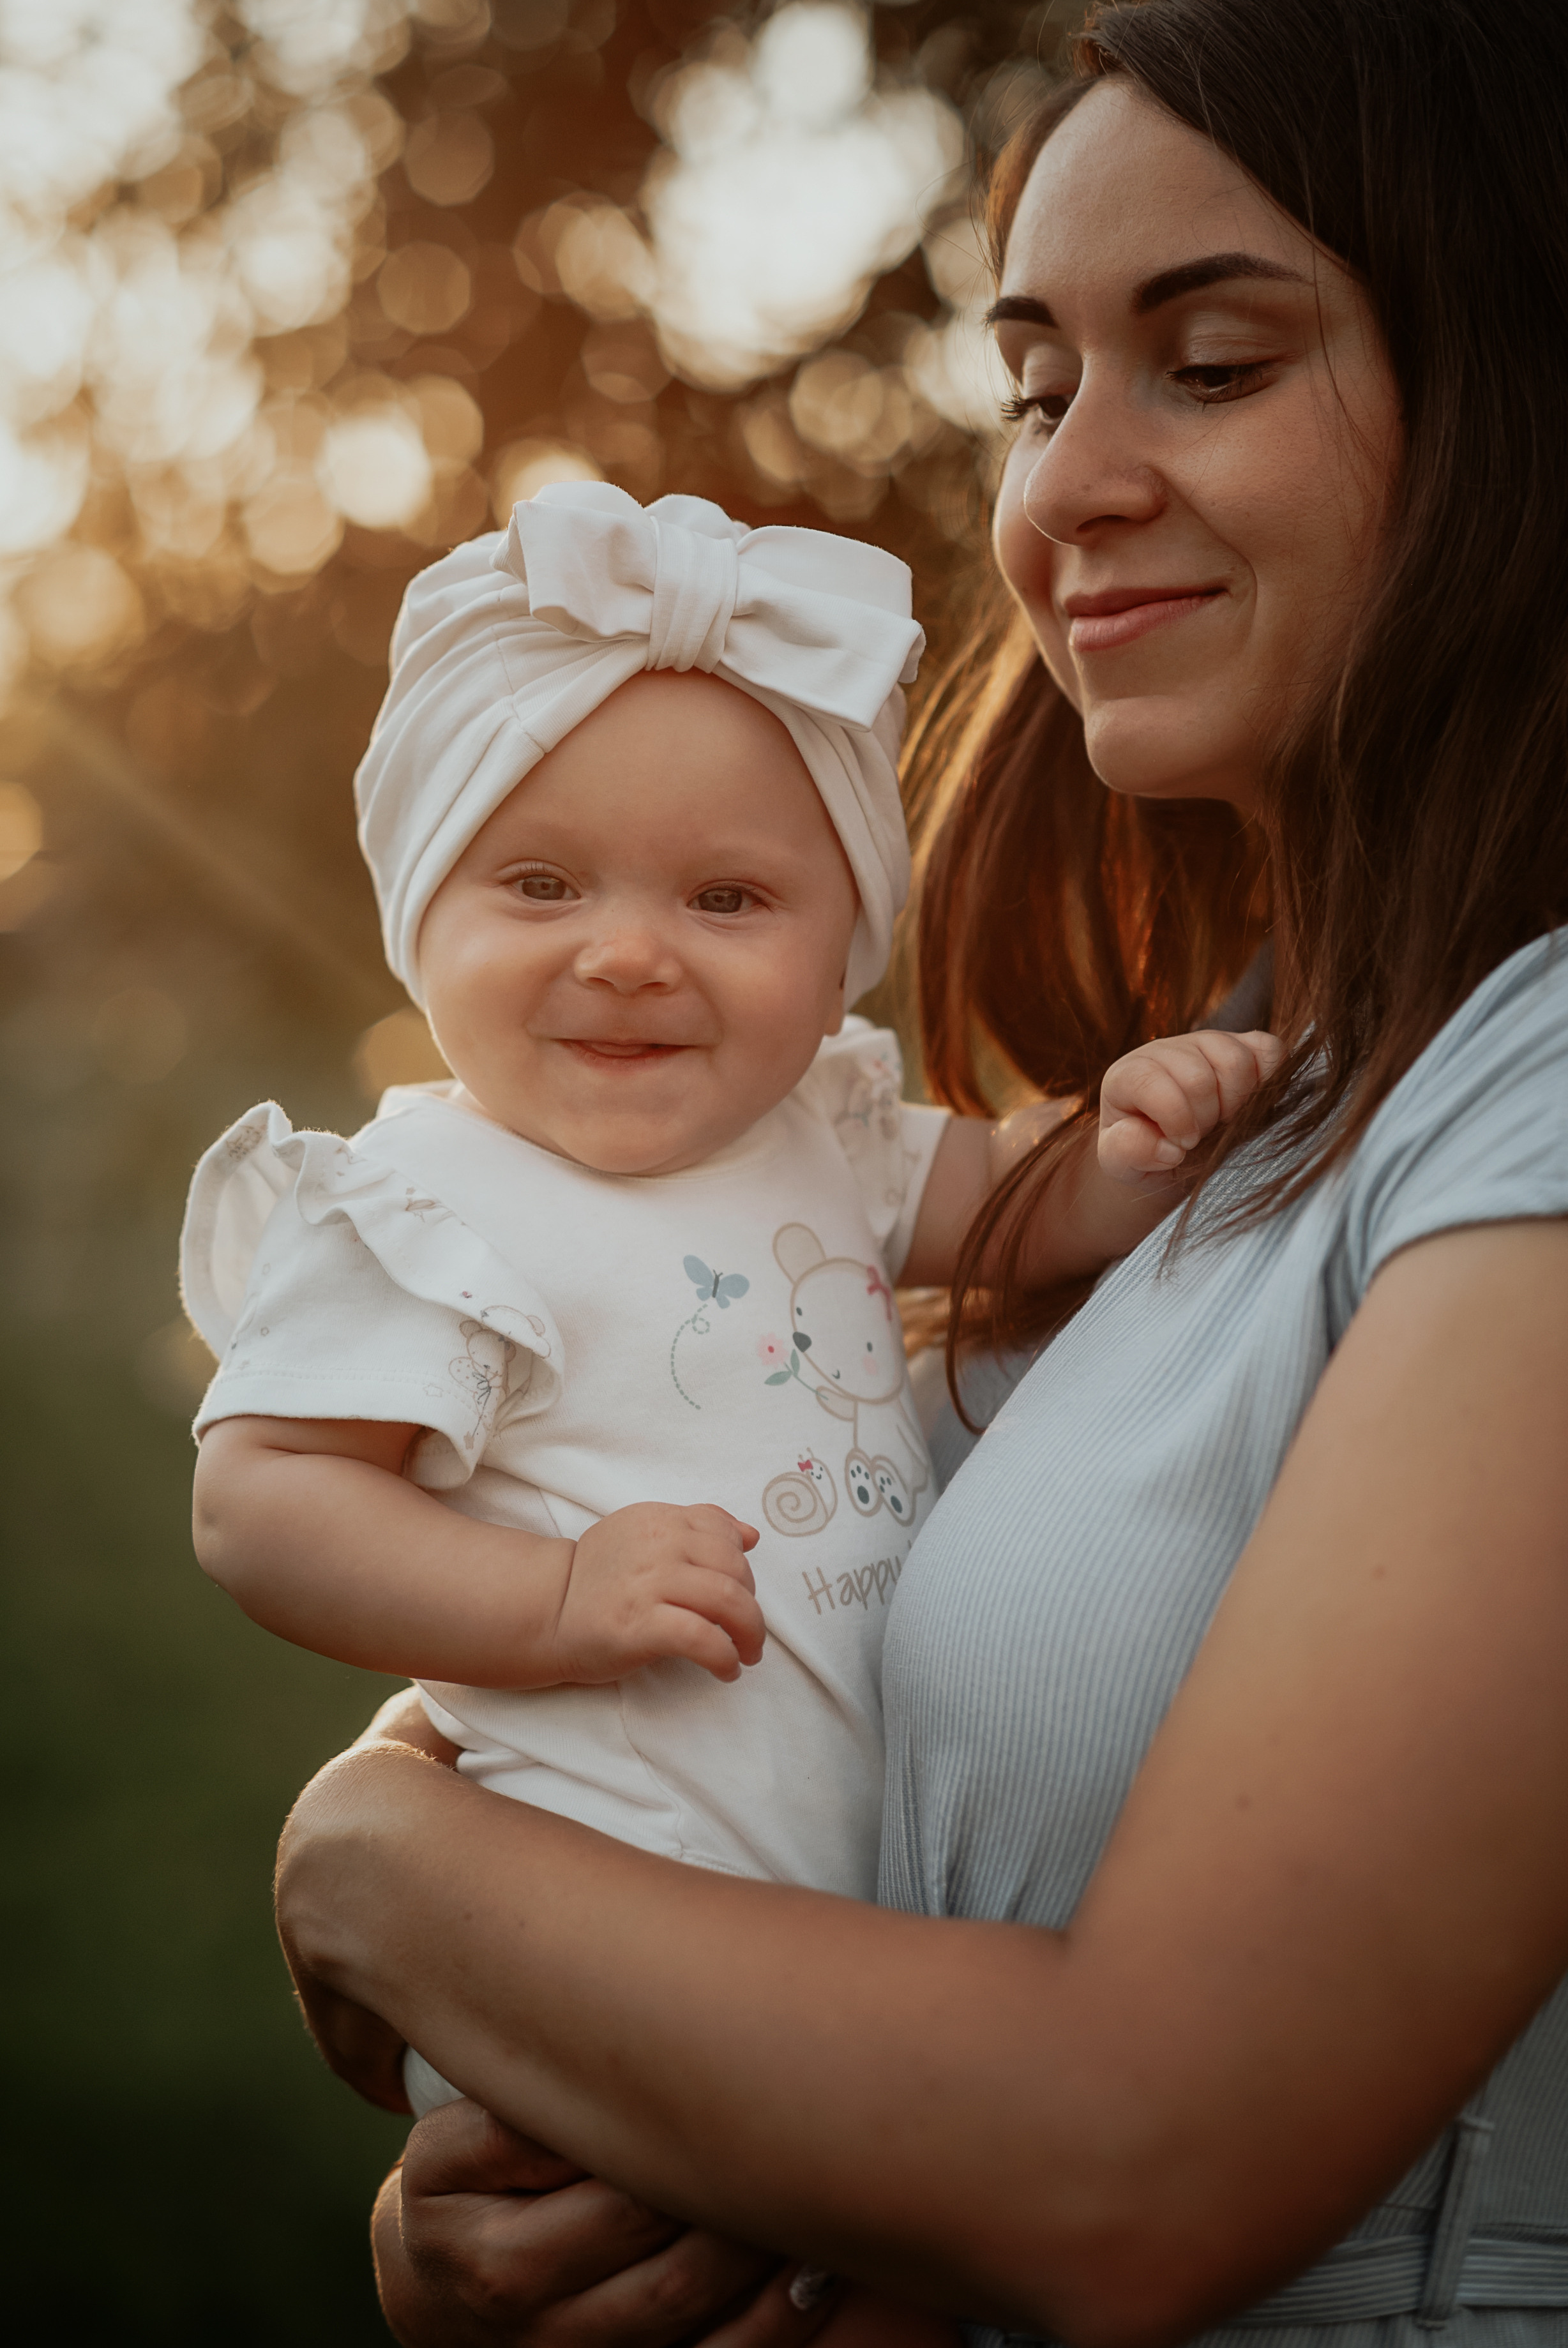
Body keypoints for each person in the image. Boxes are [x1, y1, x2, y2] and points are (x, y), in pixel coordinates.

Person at [271, 3, 1568, 2344]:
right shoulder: (1251, 1120)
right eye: (1040, 387)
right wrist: (525, 2207)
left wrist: (371, 1865)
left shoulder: (1537, 1096)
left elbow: (1135, 2162)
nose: (1063, 491)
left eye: (1214, 361)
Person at [182, 487, 1270, 2139]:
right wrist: (551, 1598)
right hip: (602, 1944)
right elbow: (261, 1502)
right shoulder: (430, 1209)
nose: (627, 955)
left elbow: (1015, 1208)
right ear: (420, 914)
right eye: (540, 885)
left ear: (844, 947)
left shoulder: (817, 1135)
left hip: (857, 1947)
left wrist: (1139, 1136)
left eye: (727, 902)